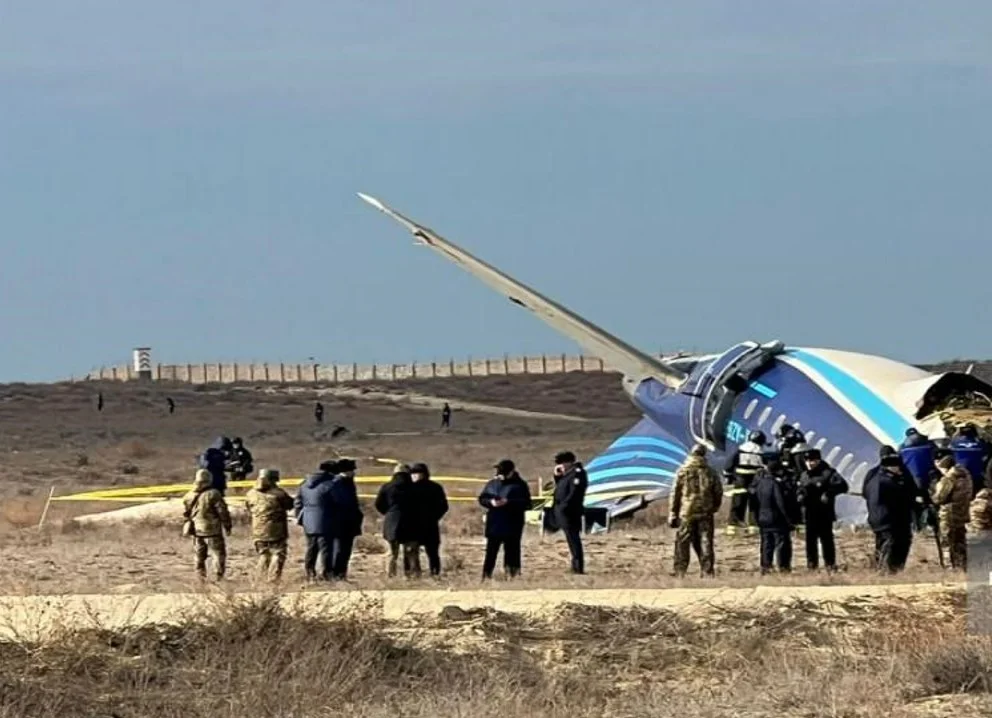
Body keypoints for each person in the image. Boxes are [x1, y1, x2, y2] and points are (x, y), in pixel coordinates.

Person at [667, 444, 723, 577]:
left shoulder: (683, 471)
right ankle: (707, 571)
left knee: (682, 541)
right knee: (706, 540)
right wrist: (714, 507)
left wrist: (672, 513)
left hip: (687, 512)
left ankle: (680, 571)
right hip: (706, 511)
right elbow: (718, 492)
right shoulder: (710, 472)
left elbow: (675, 493)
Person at [863, 446, 919, 573]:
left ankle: (882, 568)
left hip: (878, 516)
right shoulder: (897, 475)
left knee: (882, 543)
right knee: (896, 543)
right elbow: (910, 492)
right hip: (895, 517)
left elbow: (865, 493)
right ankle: (891, 570)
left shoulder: (872, 473)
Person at [797, 448, 849, 571]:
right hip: (809, 513)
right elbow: (800, 489)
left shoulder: (828, 473)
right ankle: (812, 566)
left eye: (813, 461)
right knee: (810, 542)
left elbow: (843, 486)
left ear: (819, 460)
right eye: (808, 461)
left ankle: (830, 565)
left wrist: (829, 493)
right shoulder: (804, 475)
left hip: (824, 513)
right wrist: (799, 495)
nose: (810, 463)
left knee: (826, 541)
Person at [479, 459, 532, 579]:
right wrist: (491, 502)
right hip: (494, 524)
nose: (500, 474)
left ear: (511, 472)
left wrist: (508, 502)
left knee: (512, 552)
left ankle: (513, 576)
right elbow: (483, 498)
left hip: (512, 524)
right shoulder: (492, 483)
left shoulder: (520, 485)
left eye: (503, 472)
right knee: (491, 553)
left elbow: (527, 504)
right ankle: (486, 576)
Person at [244, 468, 294, 582]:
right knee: (278, 553)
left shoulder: (250, 493)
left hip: (257, 529)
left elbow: (248, 507)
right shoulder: (279, 494)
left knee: (263, 554)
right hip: (276, 529)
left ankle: (259, 580)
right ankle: (273, 580)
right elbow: (290, 504)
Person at [182, 469, 232, 580]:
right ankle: (218, 577)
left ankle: (200, 578)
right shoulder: (214, 494)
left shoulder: (188, 495)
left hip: (196, 530)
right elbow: (222, 511)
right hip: (212, 530)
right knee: (218, 554)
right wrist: (227, 525)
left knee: (199, 555)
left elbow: (186, 514)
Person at [753, 454, 799, 574]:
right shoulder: (775, 484)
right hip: (777, 519)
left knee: (766, 544)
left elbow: (754, 501)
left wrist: (756, 517)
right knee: (782, 543)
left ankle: (765, 567)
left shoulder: (760, 483)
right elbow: (780, 503)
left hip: (763, 518)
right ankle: (783, 568)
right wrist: (789, 520)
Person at [295, 460, 338, 581]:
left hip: (309, 520)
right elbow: (338, 503)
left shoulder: (304, 484)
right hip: (326, 519)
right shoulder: (331, 484)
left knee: (311, 548)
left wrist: (301, 518)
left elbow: (298, 503)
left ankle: (310, 573)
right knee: (326, 548)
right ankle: (326, 574)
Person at [546, 450, 588, 574]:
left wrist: (565, 506)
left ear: (569, 463)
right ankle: (574, 564)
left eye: (562, 463)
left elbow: (575, 493)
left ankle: (577, 566)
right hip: (561, 511)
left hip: (570, 511)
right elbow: (561, 488)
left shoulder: (577, 474)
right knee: (569, 538)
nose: (560, 466)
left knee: (573, 538)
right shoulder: (566, 475)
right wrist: (558, 476)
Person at [375, 464, 420, 578]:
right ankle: (411, 576)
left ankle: (390, 576)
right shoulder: (415, 488)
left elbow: (379, 504)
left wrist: (389, 513)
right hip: (412, 523)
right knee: (410, 552)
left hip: (391, 523)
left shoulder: (387, 487)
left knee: (392, 553)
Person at [931, 455, 972, 570]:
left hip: (949, 514)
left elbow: (939, 498)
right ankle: (963, 566)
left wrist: (935, 488)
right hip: (963, 512)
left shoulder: (949, 478)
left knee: (947, 542)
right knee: (960, 541)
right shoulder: (966, 475)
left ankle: (950, 568)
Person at [722, 430, 767, 535]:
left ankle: (733, 526)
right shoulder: (761, 453)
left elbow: (729, 465)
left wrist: (728, 476)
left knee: (738, 503)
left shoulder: (740, 450)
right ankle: (754, 526)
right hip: (755, 484)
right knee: (755, 505)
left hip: (740, 482)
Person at [410, 462, 449, 577]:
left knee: (426, 552)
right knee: (423, 553)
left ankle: (428, 574)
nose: (414, 476)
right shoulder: (435, 487)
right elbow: (443, 507)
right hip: (424, 524)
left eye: (416, 473)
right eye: (413, 473)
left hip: (423, 525)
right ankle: (426, 574)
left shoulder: (432, 488)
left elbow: (443, 506)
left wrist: (433, 517)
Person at [327, 458, 363, 579]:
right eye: (352, 470)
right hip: (341, 523)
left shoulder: (346, 483)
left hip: (348, 522)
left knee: (345, 550)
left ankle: (341, 573)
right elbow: (344, 503)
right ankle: (337, 574)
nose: (354, 473)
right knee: (340, 550)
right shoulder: (339, 484)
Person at [951, 423, 989, 495]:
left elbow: (951, 446)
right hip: (977, 475)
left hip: (960, 475)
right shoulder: (981, 442)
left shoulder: (955, 442)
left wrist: (957, 431)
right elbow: (987, 452)